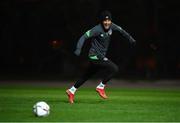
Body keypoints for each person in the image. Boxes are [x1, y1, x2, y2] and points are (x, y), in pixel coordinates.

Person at [66, 10, 136, 104]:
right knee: (114, 68)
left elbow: (122, 31)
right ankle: (101, 87)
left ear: (110, 21)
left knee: (86, 76)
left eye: (109, 20)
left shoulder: (112, 26)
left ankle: (71, 90)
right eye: (105, 21)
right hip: (94, 55)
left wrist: (130, 38)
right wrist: (78, 49)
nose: (107, 22)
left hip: (100, 56)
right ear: (102, 21)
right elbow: (83, 37)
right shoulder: (97, 29)